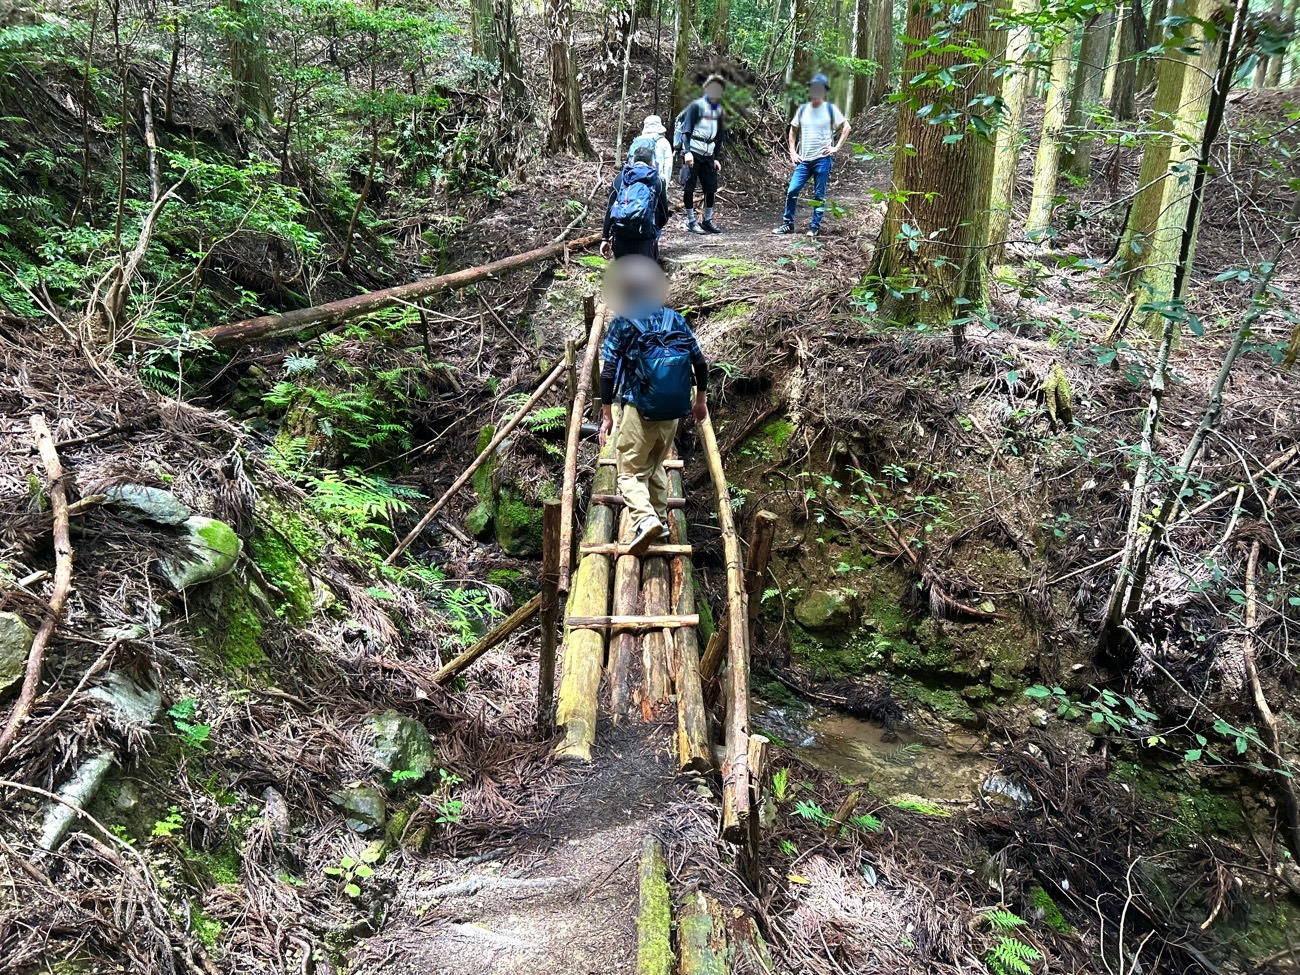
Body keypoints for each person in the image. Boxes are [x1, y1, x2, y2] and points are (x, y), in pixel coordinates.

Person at [598, 256, 709, 556]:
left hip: (639, 409)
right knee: (655, 464)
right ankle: (658, 523)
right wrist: (700, 401)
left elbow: (608, 372)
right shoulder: (676, 319)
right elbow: (698, 361)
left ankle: (645, 519)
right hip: (674, 410)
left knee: (629, 472)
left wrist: (607, 415)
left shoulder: (623, 323)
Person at [773, 73, 851, 238]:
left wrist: (836, 147)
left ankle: (814, 226)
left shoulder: (830, 109)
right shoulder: (802, 109)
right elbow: (793, 130)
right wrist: (792, 151)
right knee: (792, 190)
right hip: (804, 160)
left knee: (819, 194)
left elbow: (847, 127)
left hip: (822, 159)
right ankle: (788, 224)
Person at [601, 144, 669, 260]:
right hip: (645, 240)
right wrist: (652, 230)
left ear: (633, 160)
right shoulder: (657, 180)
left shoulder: (620, 178)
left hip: (621, 238)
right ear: (651, 161)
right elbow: (664, 215)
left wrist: (605, 238)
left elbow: (610, 210)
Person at [679, 74, 727, 235]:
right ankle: (691, 221)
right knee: (689, 187)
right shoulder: (696, 107)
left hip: (708, 155)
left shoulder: (719, 111)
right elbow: (686, 131)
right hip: (693, 151)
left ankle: (707, 220)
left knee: (710, 188)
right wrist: (687, 152)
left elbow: (720, 136)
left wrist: (716, 158)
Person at [629, 115, 674, 195]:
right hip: (654, 184)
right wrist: (663, 190)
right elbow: (668, 168)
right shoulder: (663, 142)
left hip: (633, 184)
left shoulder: (636, 141)